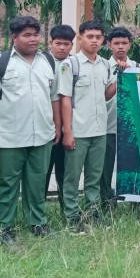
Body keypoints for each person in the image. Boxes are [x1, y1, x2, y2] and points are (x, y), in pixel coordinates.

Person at [0, 16, 60, 244]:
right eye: (27, 35)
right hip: (10, 136)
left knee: (37, 181)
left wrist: (58, 126)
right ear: (14, 37)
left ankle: (37, 222)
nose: (33, 39)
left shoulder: (48, 61)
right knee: (8, 183)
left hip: (42, 134)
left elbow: (54, 97)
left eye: (35, 34)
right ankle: (5, 227)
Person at [59, 20, 117, 233]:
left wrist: (120, 78)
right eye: (90, 37)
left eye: (98, 37)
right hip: (78, 131)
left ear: (103, 40)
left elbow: (106, 95)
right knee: (72, 178)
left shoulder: (105, 65)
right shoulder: (70, 65)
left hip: (100, 130)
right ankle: (73, 217)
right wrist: (67, 131)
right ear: (80, 38)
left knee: (94, 177)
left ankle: (93, 214)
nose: (94, 41)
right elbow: (65, 99)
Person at [104, 27, 138, 212]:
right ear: (109, 45)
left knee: (132, 169)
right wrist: (120, 76)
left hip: (130, 129)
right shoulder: (102, 66)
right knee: (105, 168)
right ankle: (106, 204)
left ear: (130, 44)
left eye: (124, 43)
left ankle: (136, 203)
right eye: (116, 43)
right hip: (107, 126)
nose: (120, 47)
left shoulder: (138, 67)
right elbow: (104, 96)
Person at [45, 24, 76, 213]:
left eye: (66, 44)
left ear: (72, 45)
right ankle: (38, 213)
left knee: (65, 171)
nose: (62, 48)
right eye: (58, 43)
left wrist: (67, 128)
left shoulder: (74, 64)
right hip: (46, 127)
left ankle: (67, 210)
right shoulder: (42, 62)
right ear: (51, 43)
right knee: (43, 171)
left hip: (69, 128)